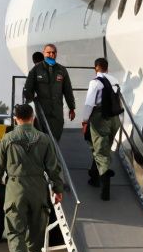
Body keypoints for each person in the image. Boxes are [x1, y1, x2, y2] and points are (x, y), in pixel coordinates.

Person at [0, 104, 66, 252]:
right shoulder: (44, 139)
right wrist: (57, 188)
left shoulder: (8, 139)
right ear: (32, 117)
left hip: (15, 189)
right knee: (37, 232)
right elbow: (53, 167)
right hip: (38, 189)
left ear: (15, 118)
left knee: (15, 232)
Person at [82, 57, 121, 200]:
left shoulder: (95, 83)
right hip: (115, 120)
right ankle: (93, 175)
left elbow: (89, 104)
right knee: (100, 147)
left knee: (100, 152)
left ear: (96, 68)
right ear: (107, 68)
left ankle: (105, 191)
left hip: (100, 118)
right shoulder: (115, 80)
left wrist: (85, 121)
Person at [22, 43, 75, 141]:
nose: (51, 54)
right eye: (48, 52)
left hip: (57, 113)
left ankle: (53, 155)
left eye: (53, 53)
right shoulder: (35, 70)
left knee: (55, 138)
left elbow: (68, 91)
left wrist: (72, 108)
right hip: (41, 112)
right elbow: (27, 90)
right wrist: (33, 104)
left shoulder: (62, 70)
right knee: (41, 139)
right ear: (44, 53)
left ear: (56, 54)